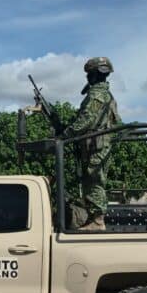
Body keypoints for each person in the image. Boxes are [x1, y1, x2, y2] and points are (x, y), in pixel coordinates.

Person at [60, 57, 121, 231]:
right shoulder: (106, 95)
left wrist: (65, 135)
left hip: (97, 146)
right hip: (97, 145)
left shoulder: (97, 94)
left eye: (89, 74)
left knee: (94, 180)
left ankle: (97, 221)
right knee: (92, 180)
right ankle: (94, 219)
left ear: (93, 75)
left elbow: (86, 119)